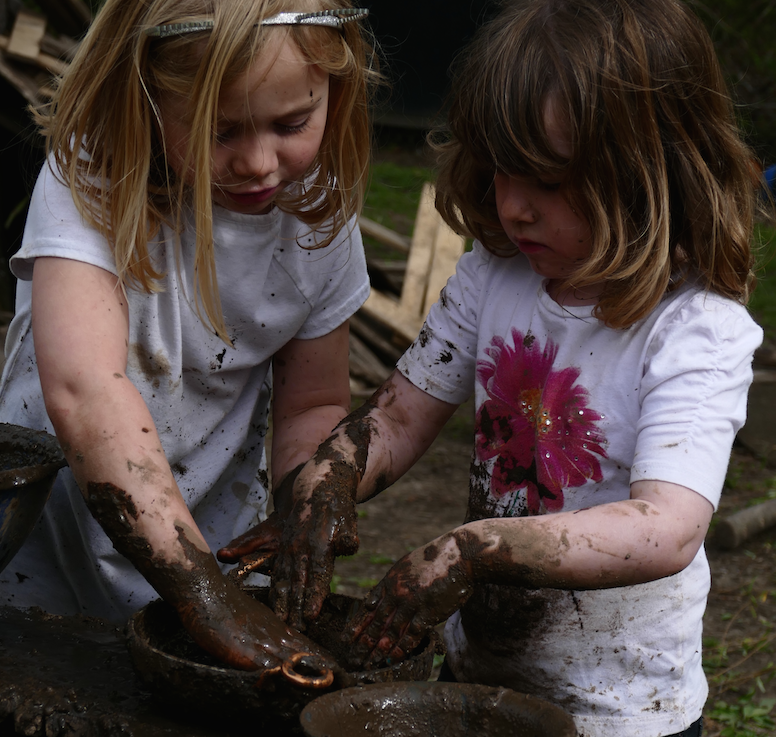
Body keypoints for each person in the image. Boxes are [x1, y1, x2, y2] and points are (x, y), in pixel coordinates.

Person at [219, 0, 768, 732]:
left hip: (622, 709)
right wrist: (332, 474)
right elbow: (399, 414)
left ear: (651, 170)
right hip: (482, 673)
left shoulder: (694, 329)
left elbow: (666, 525)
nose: (513, 207)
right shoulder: (494, 276)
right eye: (502, 172)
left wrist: (475, 549)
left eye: (548, 180)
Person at [0, 0, 377, 676]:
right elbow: (86, 391)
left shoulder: (318, 209)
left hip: (214, 532)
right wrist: (199, 590)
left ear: (336, 90)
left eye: (293, 123)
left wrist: (302, 501)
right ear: (144, 98)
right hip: (45, 544)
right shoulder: (92, 179)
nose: (259, 162)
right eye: (220, 131)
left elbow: (313, 402)